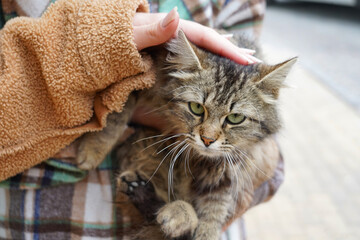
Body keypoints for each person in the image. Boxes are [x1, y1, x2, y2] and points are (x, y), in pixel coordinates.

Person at [0, 0, 282, 239]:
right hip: (43, 222)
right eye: (199, 110)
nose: (208, 134)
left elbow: (271, 163)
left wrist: (257, 162)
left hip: (206, 196)